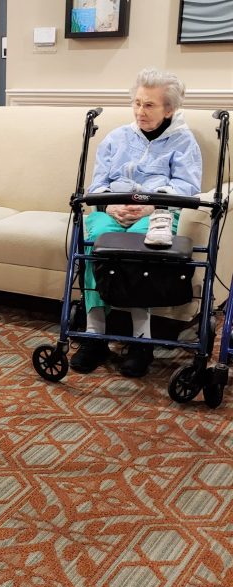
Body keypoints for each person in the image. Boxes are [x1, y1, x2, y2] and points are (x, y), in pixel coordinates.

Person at [71, 68, 202, 378]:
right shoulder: (117, 138)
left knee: (141, 249)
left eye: (149, 105)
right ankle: (95, 334)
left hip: (157, 214)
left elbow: (187, 187)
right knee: (97, 243)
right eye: (137, 103)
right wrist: (111, 205)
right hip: (112, 210)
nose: (140, 111)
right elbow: (97, 184)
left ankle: (141, 341)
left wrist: (150, 206)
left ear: (169, 109)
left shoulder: (183, 142)